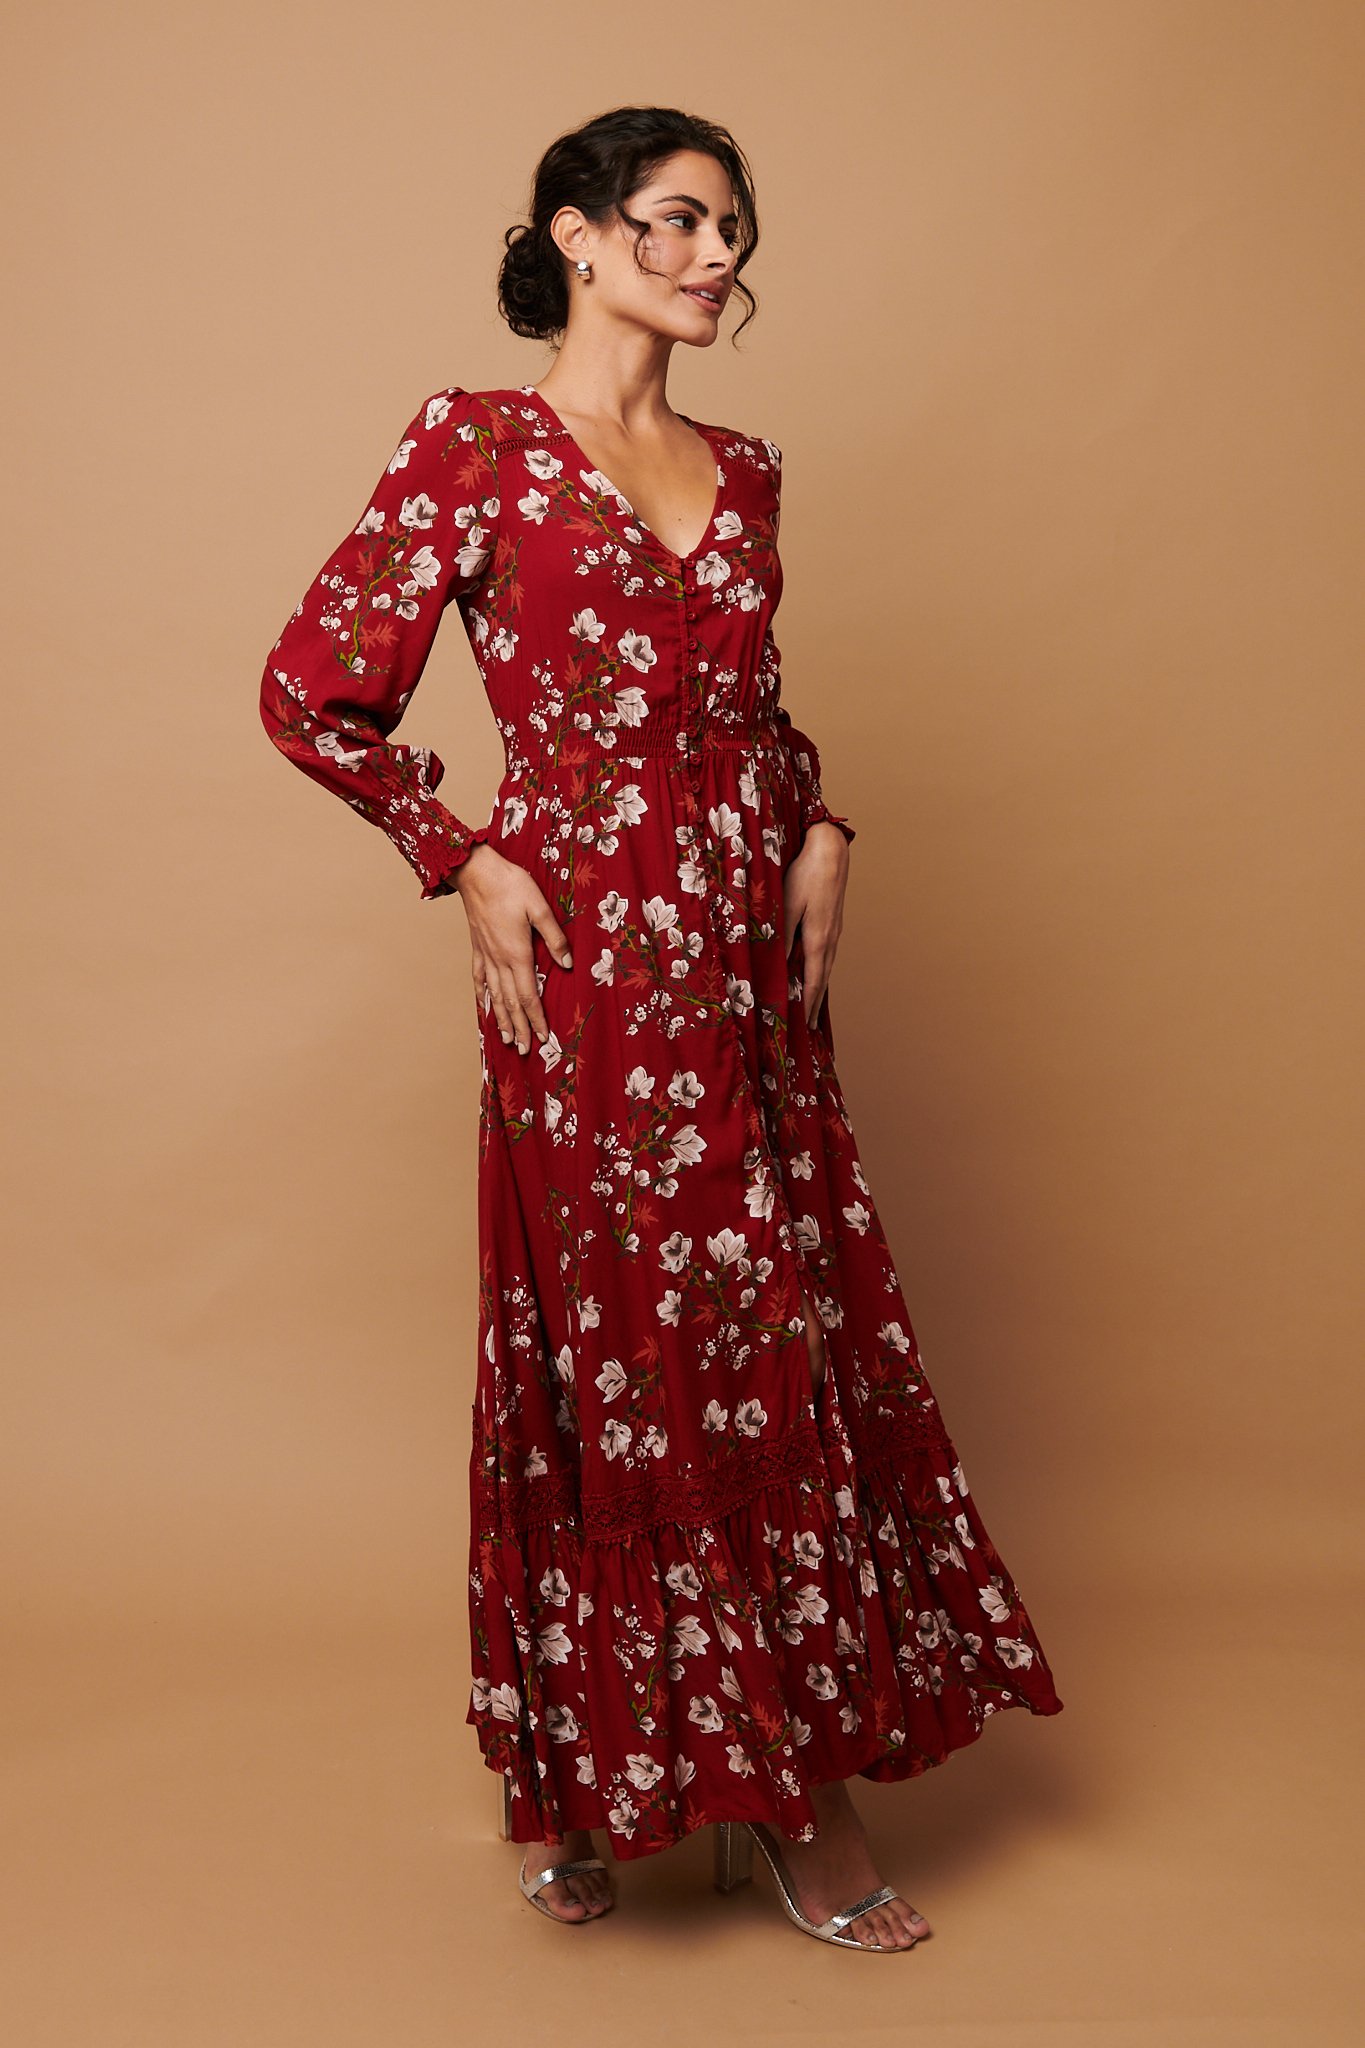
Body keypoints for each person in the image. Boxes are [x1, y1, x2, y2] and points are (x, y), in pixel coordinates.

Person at [258, 105, 1064, 1953]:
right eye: (679, 222)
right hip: (586, 966)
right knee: (615, 1349)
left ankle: (781, 1791)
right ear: (580, 234)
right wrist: (455, 855)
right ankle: (613, 1780)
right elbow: (315, 693)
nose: (716, 256)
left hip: (743, 969)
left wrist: (821, 818)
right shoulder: (471, 449)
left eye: (732, 230)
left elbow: (756, 713)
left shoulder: (751, 468)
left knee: (763, 1327)